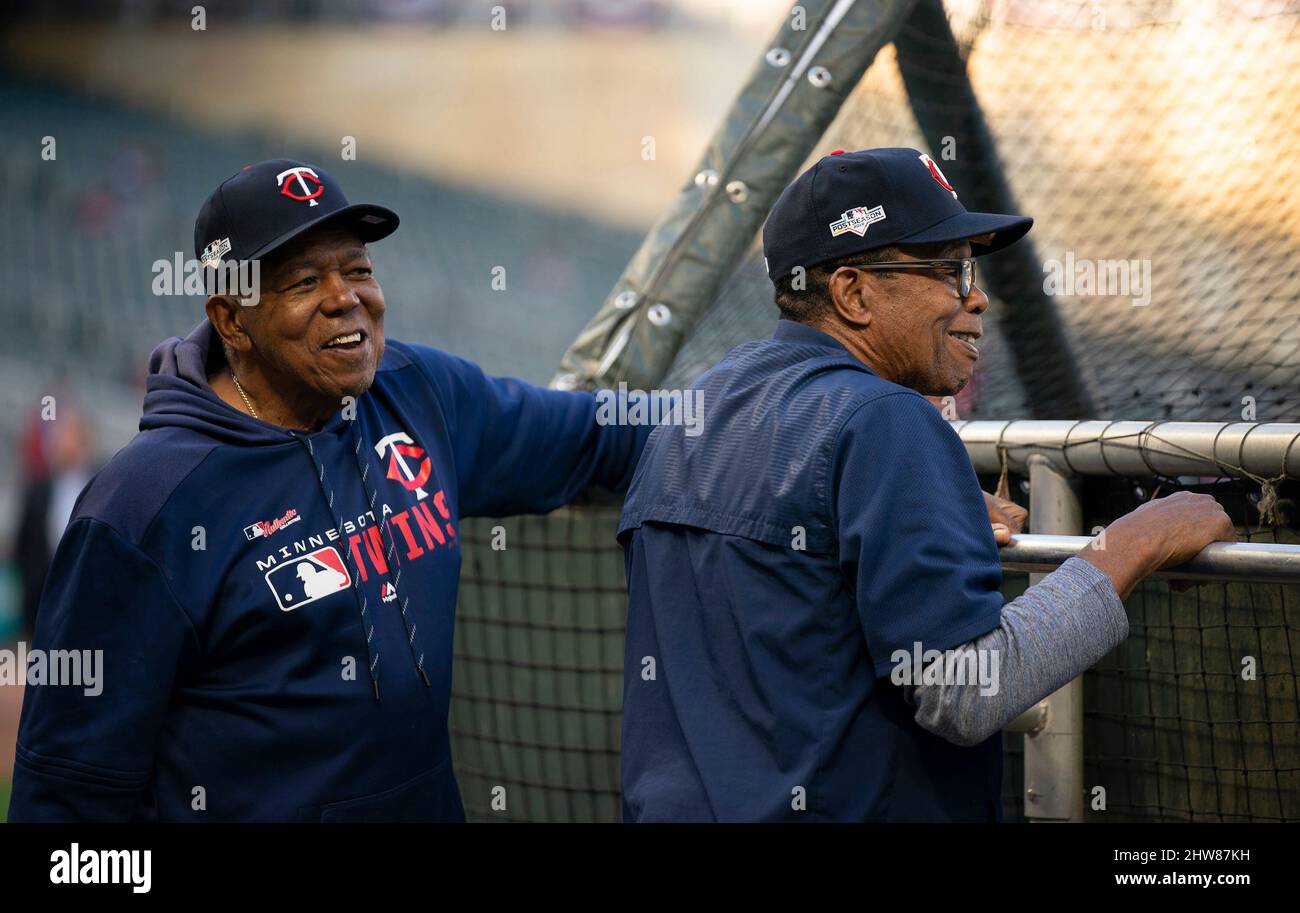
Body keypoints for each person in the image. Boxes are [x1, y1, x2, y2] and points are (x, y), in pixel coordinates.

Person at [9, 159, 651, 822]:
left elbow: (602, 434)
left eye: (359, 268)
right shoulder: (143, 505)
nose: (346, 297)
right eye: (304, 280)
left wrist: (741, 410)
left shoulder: (419, 393)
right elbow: (65, 806)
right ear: (232, 320)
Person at [617, 147, 1235, 822]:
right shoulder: (885, 420)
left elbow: (789, 584)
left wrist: (929, 516)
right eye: (949, 270)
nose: (978, 295)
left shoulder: (695, 410)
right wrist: (1136, 542)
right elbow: (964, 691)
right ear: (854, 293)